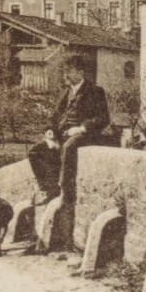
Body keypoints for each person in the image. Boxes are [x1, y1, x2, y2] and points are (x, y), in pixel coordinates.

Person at [27, 54, 110, 202]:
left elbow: (103, 119)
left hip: (85, 135)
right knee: (35, 151)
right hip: (62, 134)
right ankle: (49, 188)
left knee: (68, 147)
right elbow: (53, 117)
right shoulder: (66, 91)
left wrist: (81, 128)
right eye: (64, 71)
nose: (65, 75)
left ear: (80, 73)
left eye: (69, 71)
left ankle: (66, 191)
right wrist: (49, 131)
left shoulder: (95, 91)